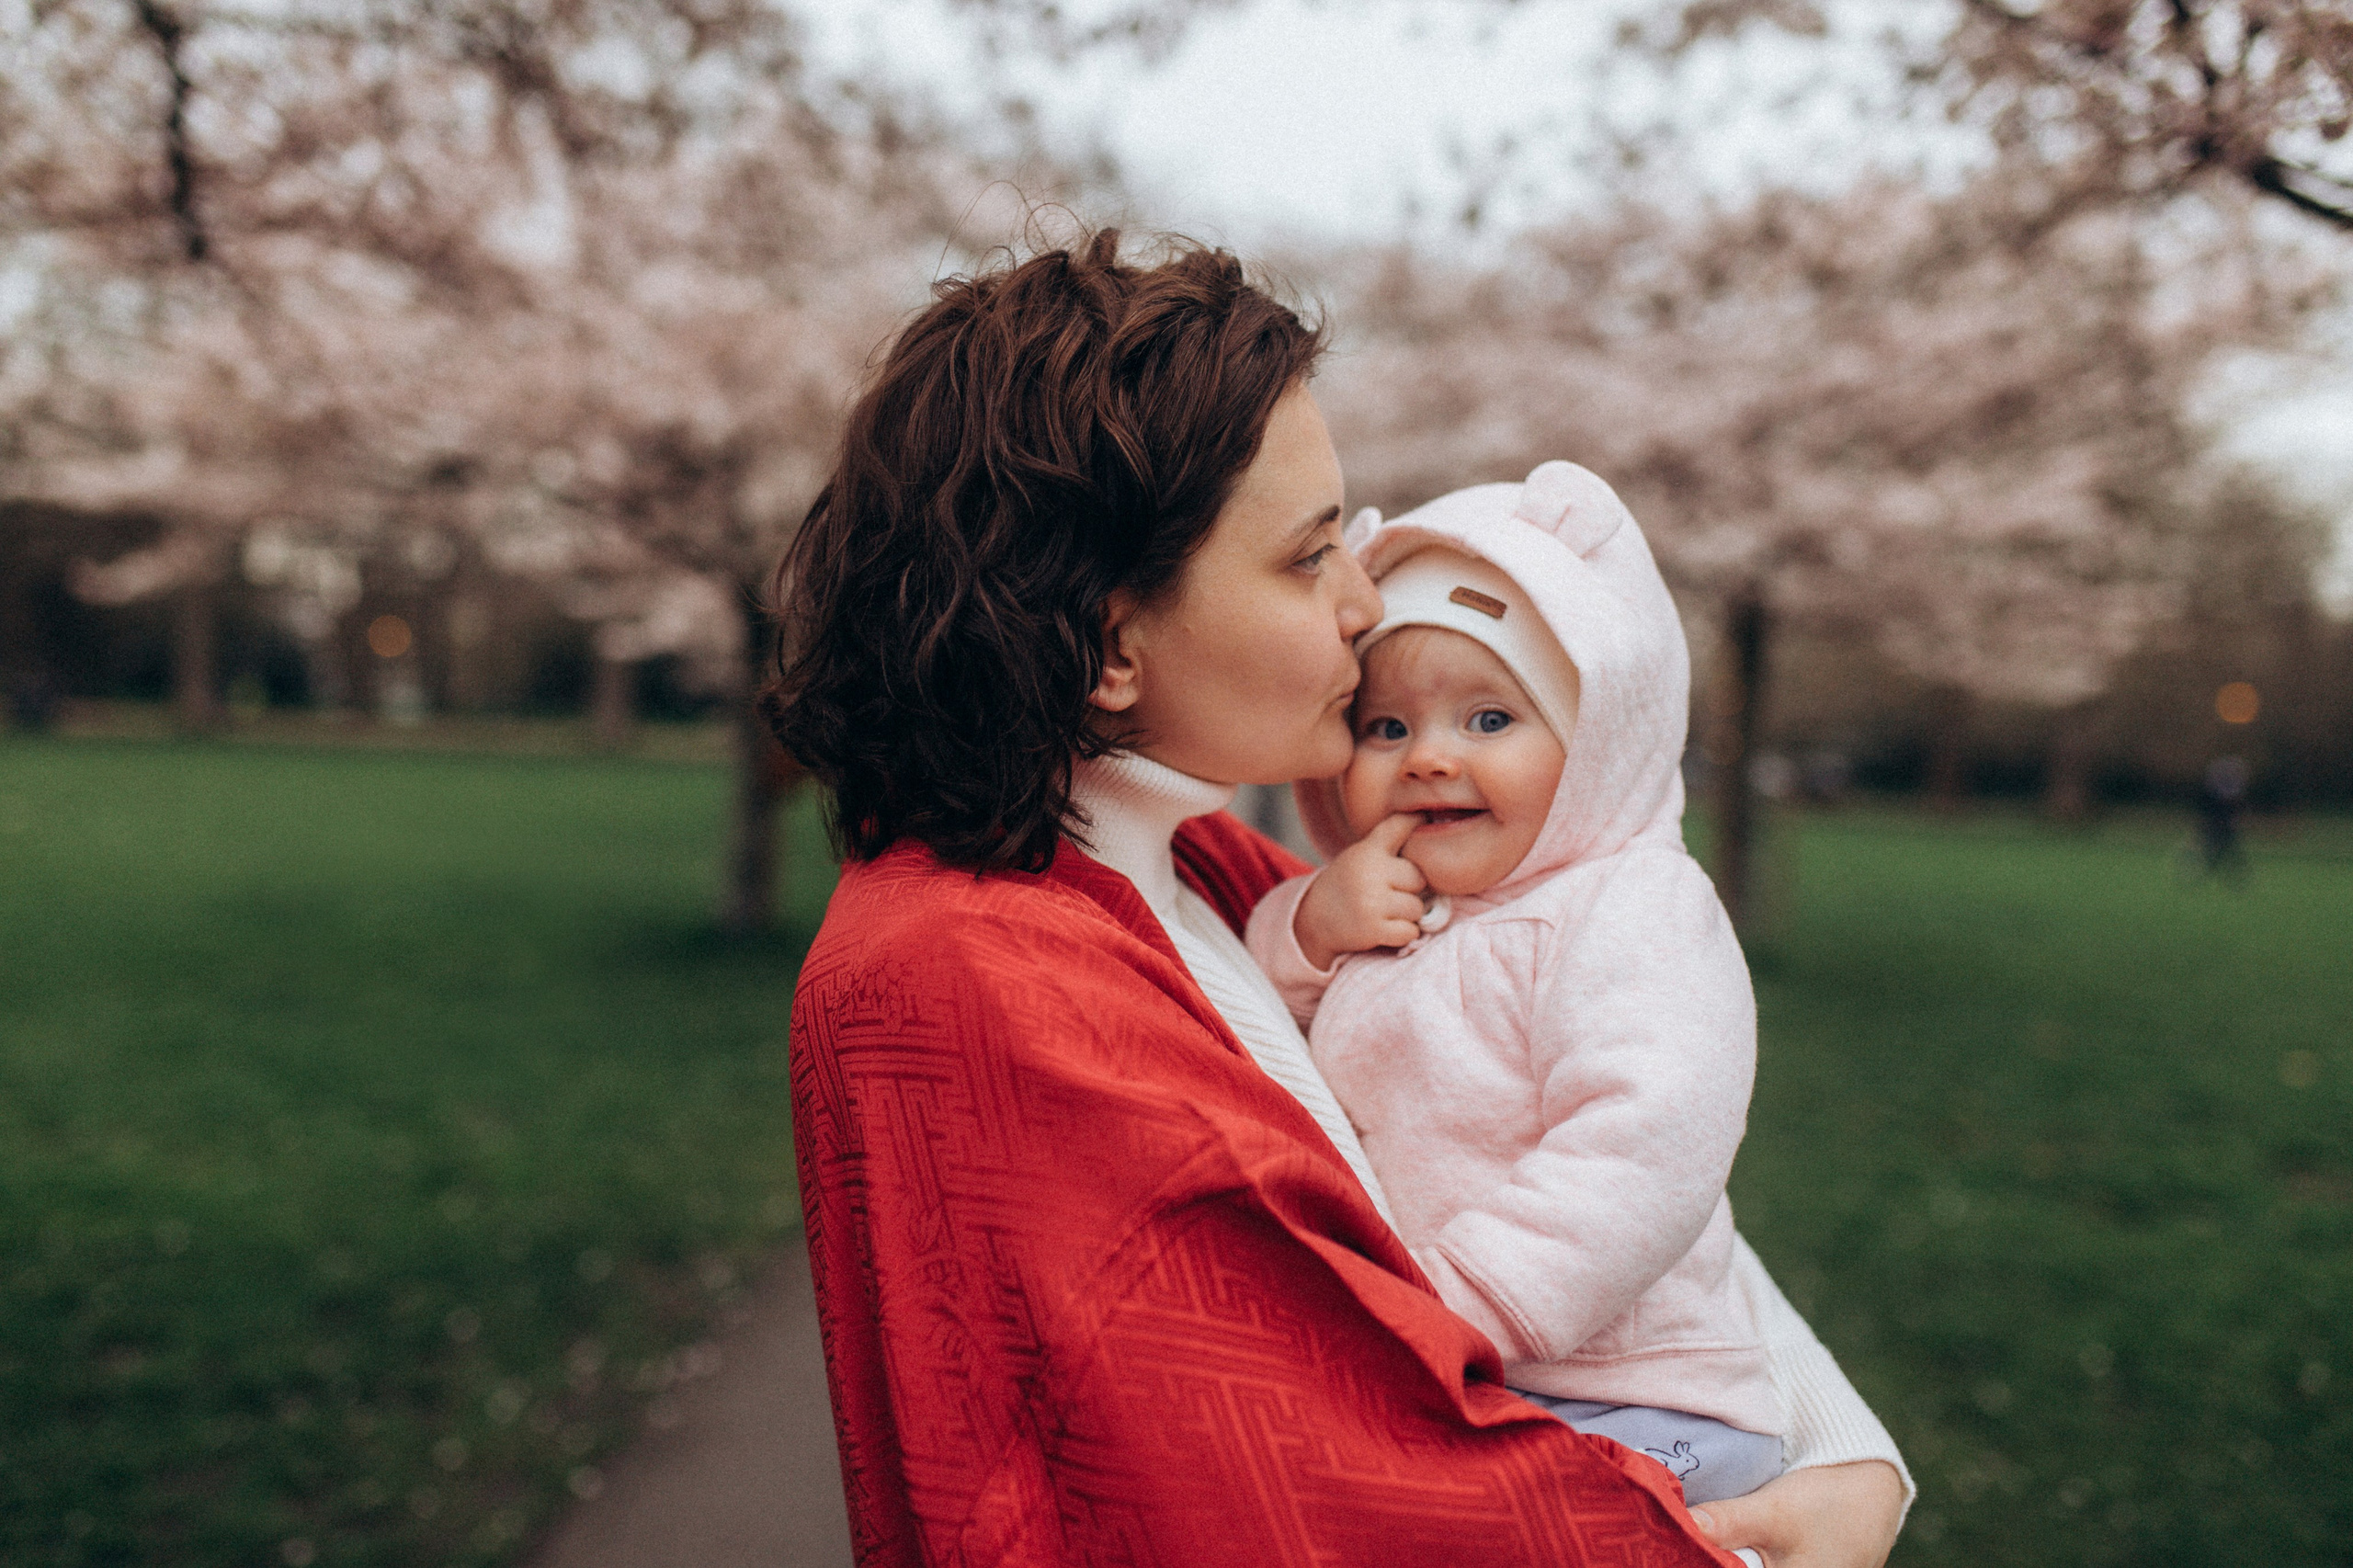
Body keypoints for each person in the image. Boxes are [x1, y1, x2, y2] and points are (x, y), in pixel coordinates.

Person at [769, 230, 1910, 1566]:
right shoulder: (971, 976)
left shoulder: (1208, 879)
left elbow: (1637, 1170)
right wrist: (1770, 1549)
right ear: (1111, 643)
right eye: (1311, 558)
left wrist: (1844, 1451)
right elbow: (1325, 1474)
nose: (1367, 604)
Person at [1245, 466, 1793, 1509]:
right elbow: (1259, 1021)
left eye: (1489, 720)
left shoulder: (1631, 907)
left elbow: (1644, 1140)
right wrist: (1313, 929)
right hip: (1464, 1366)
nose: (1430, 758)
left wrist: (1466, 1301)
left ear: (1594, 744)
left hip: (1635, 1396)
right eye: (1386, 727)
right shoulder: (1375, 901)